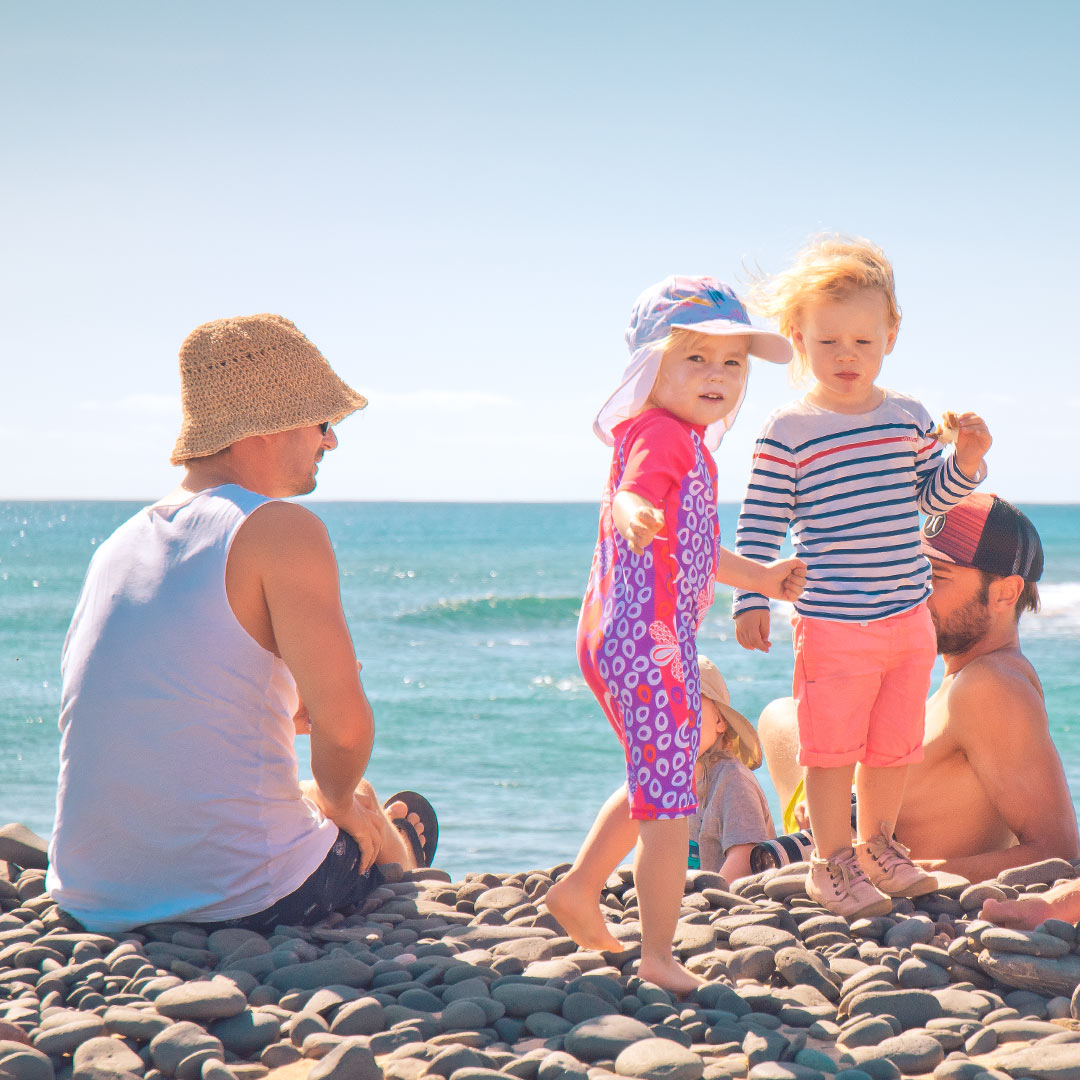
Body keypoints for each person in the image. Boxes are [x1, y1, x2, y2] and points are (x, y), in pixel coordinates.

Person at [46, 313, 435, 934]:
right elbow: (345, 729)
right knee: (380, 806)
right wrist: (338, 801)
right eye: (324, 422)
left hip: (90, 893)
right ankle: (404, 858)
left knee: (328, 791)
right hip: (245, 895)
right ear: (264, 428)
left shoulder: (116, 545)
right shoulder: (279, 528)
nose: (331, 441)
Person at [545, 276, 806, 994]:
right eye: (696, 359)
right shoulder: (661, 436)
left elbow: (695, 550)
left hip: (634, 637)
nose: (717, 377)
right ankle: (657, 954)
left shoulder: (689, 445)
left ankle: (579, 890)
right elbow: (635, 489)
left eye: (732, 363)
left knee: (657, 777)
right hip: (645, 641)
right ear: (649, 369)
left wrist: (763, 577)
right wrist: (629, 511)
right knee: (672, 802)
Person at [732, 235, 992, 918]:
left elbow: (930, 500)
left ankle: (878, 846)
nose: (846, 356)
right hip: (832, 619)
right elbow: (760, 521)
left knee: (892, 746)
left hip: (908, 616)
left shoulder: (908, 416)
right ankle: (829, 860)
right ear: (797, 339)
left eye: (862, 341)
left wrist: (965, 459)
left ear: (891, 334)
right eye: (828, 342)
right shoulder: (789, 428)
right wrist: (751, 597)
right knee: (829, 749)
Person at [759, 493, 1079, 890]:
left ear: (1005, 594)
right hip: (841, 832)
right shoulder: (966, 677)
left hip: (866, 874)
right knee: (780, 716)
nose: (914, 590)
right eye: (913, 571)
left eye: (936, 578)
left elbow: (1058, 853)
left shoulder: (993, 686)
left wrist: (895, 872)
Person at [689, 655, 775, 881]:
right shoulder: (670, 781)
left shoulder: (732, 780)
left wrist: (704, 901)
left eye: (688, 705)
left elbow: (746, 856)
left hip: (727, 900)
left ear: (720, 720)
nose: (675, 719)